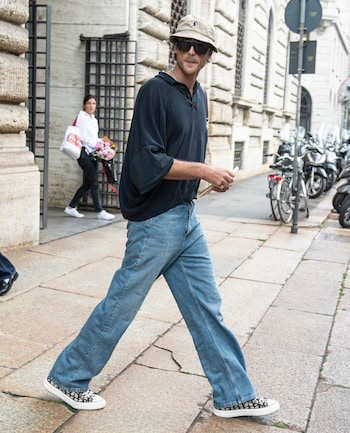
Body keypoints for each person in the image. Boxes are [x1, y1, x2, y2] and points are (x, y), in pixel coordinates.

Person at [44, 15, 280, 418]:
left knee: (207, 307)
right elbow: (148, 159)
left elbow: (184, 152)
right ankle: (68, 377)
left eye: (201, 47)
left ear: (209, 56)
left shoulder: (200, 95)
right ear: (174, 46)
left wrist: (206, 178)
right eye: (185, 43)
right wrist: (205, 170)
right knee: (122, 303)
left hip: (185, 218)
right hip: (155, 221)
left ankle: (233, 394)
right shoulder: (155, 91)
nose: (192, 51)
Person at [64, 95, 115, 220]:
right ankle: (100, 211)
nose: (91, 106)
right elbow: (82, 137)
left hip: (92, 153)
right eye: (89, 103)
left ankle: (70, 207)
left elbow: (93, 137)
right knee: (94, 183)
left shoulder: (94, 119)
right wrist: (97, 144)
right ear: (84, 105)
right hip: (83, 153)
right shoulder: (82, 117)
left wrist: (104, 144)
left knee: (87, 183)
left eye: (93, 103)